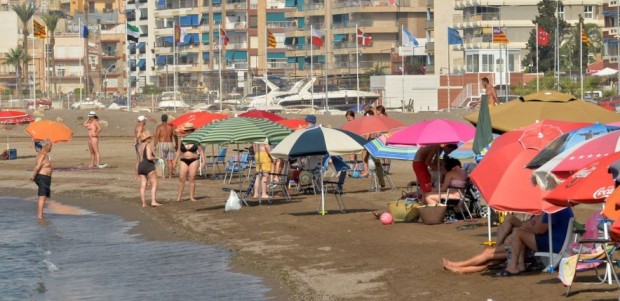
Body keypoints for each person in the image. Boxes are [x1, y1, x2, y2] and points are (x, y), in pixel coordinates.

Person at [443, 214, 545, 274]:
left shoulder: (545, 214)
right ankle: (460, 269)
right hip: (519, 243)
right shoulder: (540, 213)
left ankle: (459, 266)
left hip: (523, 247)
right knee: (492, 261)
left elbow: (536, 230)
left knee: (489, 254)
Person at [500, 207, 574, 276]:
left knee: (518, 233)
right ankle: (520, 265)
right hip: (558, 243)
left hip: (553, 245)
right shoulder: (564, 207)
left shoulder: (553, 208)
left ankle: (513, 267)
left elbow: (539, 230)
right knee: (518, 231)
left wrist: (527, 226)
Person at [173, 123, 205, 202]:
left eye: (189, 131)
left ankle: (191, 197)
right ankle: (179, 197)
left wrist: (203, 161)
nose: (188, 132)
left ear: (192, 131)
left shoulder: (196, 140)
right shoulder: (183, 140)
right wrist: (175, 160)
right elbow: (178, 151)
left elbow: (201, 151)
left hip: (194, 160)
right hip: (184, 160)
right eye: (186, 131)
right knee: (181, 178)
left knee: (192, 178)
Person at [137, 131, 162, 207]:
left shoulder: (139, 146)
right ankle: (153, 201)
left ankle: (143, 203)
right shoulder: (148, 145)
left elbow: (139, 159)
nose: (150, 139)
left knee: (142, 186)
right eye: (149, 137)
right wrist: (157, 158)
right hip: (148, 165)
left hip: (141, 166)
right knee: (154, 183)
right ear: (147, 138)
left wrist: (136, 171)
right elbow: (149, 157)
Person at [31, 138, 52, 219]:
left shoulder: (45, 155)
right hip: (42, 177)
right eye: (50, 146)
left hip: (46, 178)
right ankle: (40, 216)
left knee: (44, 196)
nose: (51, 147)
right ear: (46, 146)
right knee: (42, 196)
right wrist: (33, 176)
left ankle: (41, 215)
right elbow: (38, 166)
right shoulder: (42, 155)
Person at [155, 114, 178, 178]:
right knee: (169, 160)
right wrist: (177, 144)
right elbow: (175, 136)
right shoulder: (171, 126)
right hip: (170, 144)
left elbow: (157, 137)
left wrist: (154, 145)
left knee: (161, 160)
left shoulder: (159, 127)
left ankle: (163, 175)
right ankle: (170, 175)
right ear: (167, 119)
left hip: (162, 143)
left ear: (161, 119)